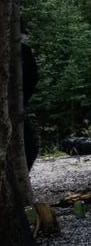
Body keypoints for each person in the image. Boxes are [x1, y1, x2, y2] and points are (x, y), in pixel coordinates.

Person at [19, 23, 38, 169]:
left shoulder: (24, 51)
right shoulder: (23, 51)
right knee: (29, 147)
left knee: (29, 147)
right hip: (18, 104)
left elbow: (33, 78)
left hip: (19, 104)